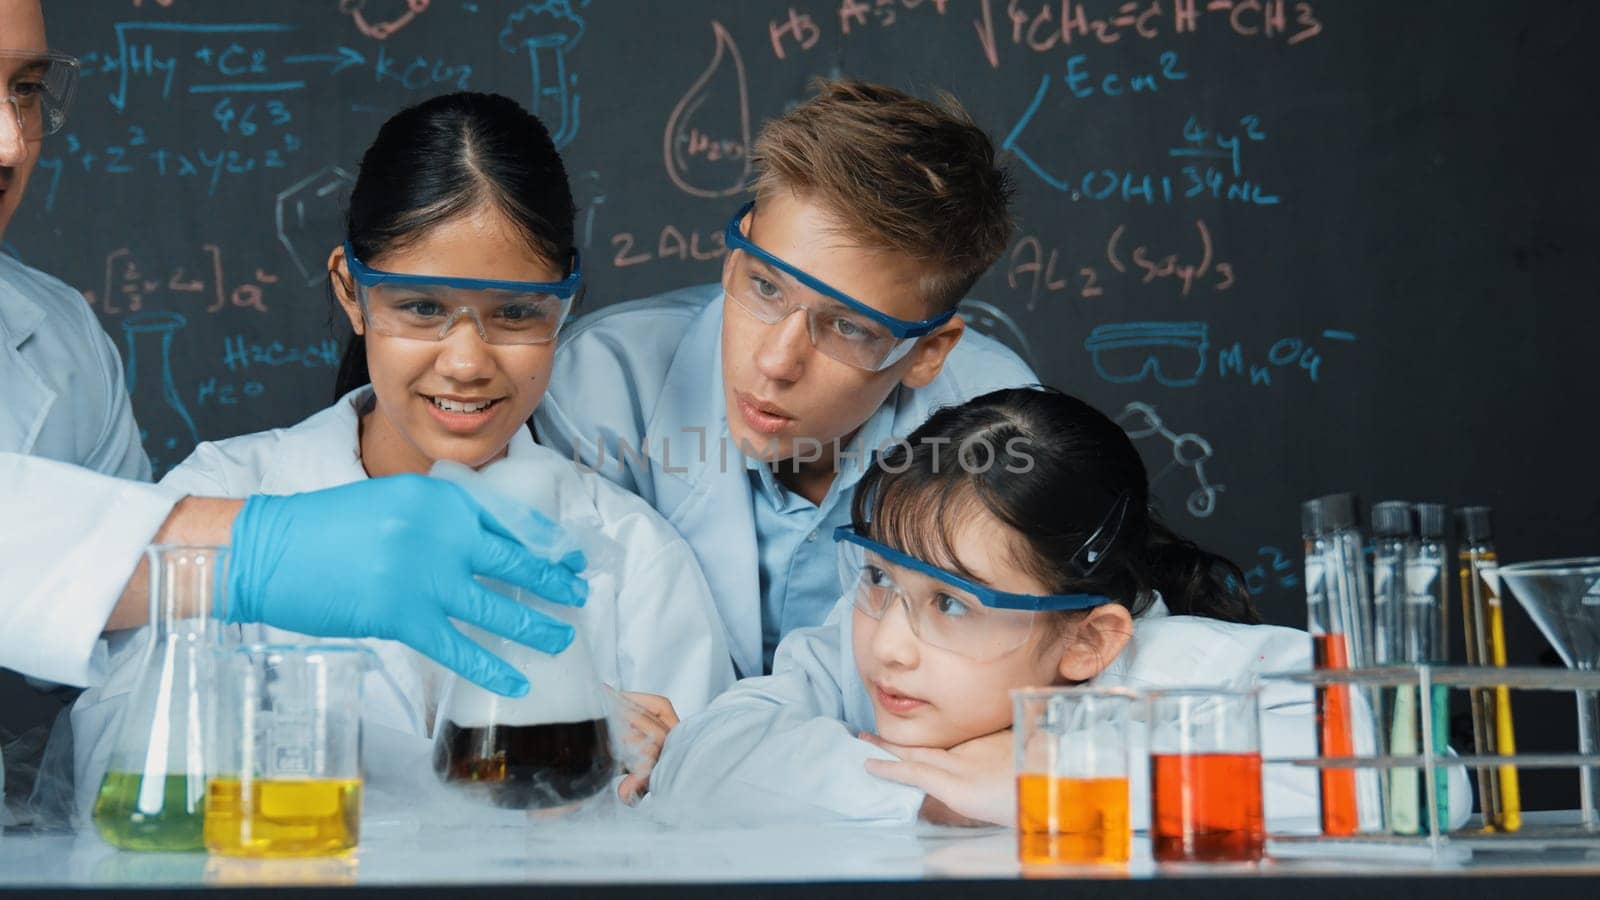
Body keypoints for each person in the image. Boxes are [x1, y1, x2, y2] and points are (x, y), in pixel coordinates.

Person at [68, 92, 733, 816]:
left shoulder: (634, 558)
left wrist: (667, 780)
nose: (467, 362)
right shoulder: (221, 497)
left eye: (517, 311)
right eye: (420, 307)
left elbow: (713, 839)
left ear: (563, 305)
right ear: (351, 292)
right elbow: (120, 784)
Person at [0, 0, 583, 702]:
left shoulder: (60, 345)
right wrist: (253, 551)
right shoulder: (226, 483)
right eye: (423, 307)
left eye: (25, 89)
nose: (10, 144)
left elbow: (63, 701)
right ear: (351, 290)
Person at [645, 387, 1474, 828]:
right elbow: (700, 763)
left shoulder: (1186, 667)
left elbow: (1424, 782)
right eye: (878, 579)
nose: (891, 645)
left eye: (955, 606)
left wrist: (1055, 782)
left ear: (1087, 640)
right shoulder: (863, 636)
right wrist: (943, 796)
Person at [537, 80, 1037, 678]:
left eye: (849, 327)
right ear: (734, 254)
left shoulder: (1000, 424)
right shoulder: (598, 384)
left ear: (929, 351)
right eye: (765, 286)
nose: (776, 362)